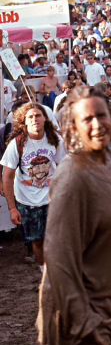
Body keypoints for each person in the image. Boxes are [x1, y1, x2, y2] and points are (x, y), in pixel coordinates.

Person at [36, 85, 111, 345]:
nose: (98, 124)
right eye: (87, 119)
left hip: (110, 290)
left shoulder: (109, 160)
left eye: (102, 115)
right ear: (72, 128)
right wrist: (83, 320)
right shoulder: (72, 178)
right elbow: (57, 258)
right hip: (73, 301)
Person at [1, 103, 66, 265]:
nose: (35, 119)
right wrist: (12, 208)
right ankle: (45, 269)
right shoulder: (17, 144)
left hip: (51, 198)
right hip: (26, 201)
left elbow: (65, 169)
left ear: (45, 118)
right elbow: (7, 176)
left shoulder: (55, 140)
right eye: (30, 117)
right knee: (36, 241)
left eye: (38, 115)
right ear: (24, 121)